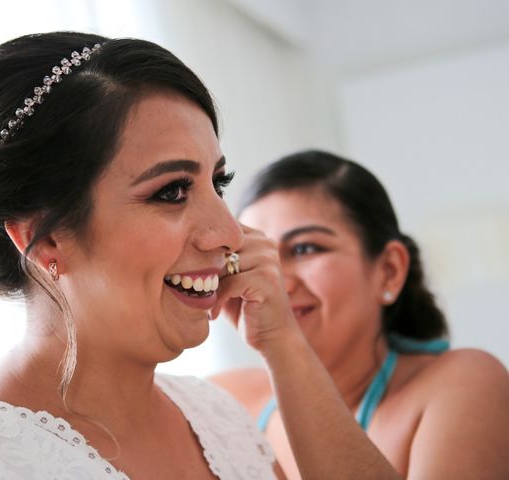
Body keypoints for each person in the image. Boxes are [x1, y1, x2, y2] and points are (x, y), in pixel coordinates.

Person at [0, 31, 287, 479]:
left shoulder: (222, 419)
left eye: (218, 184)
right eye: (172, 191)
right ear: (45, 238)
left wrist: (286, 346)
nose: (230, 233)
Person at [210, 150, 509, 479]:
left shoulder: (464, 383)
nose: (274, 277)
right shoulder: (223, 403)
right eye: (254, 254)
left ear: (389, 270)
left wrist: (280, 342)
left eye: (305, 249)